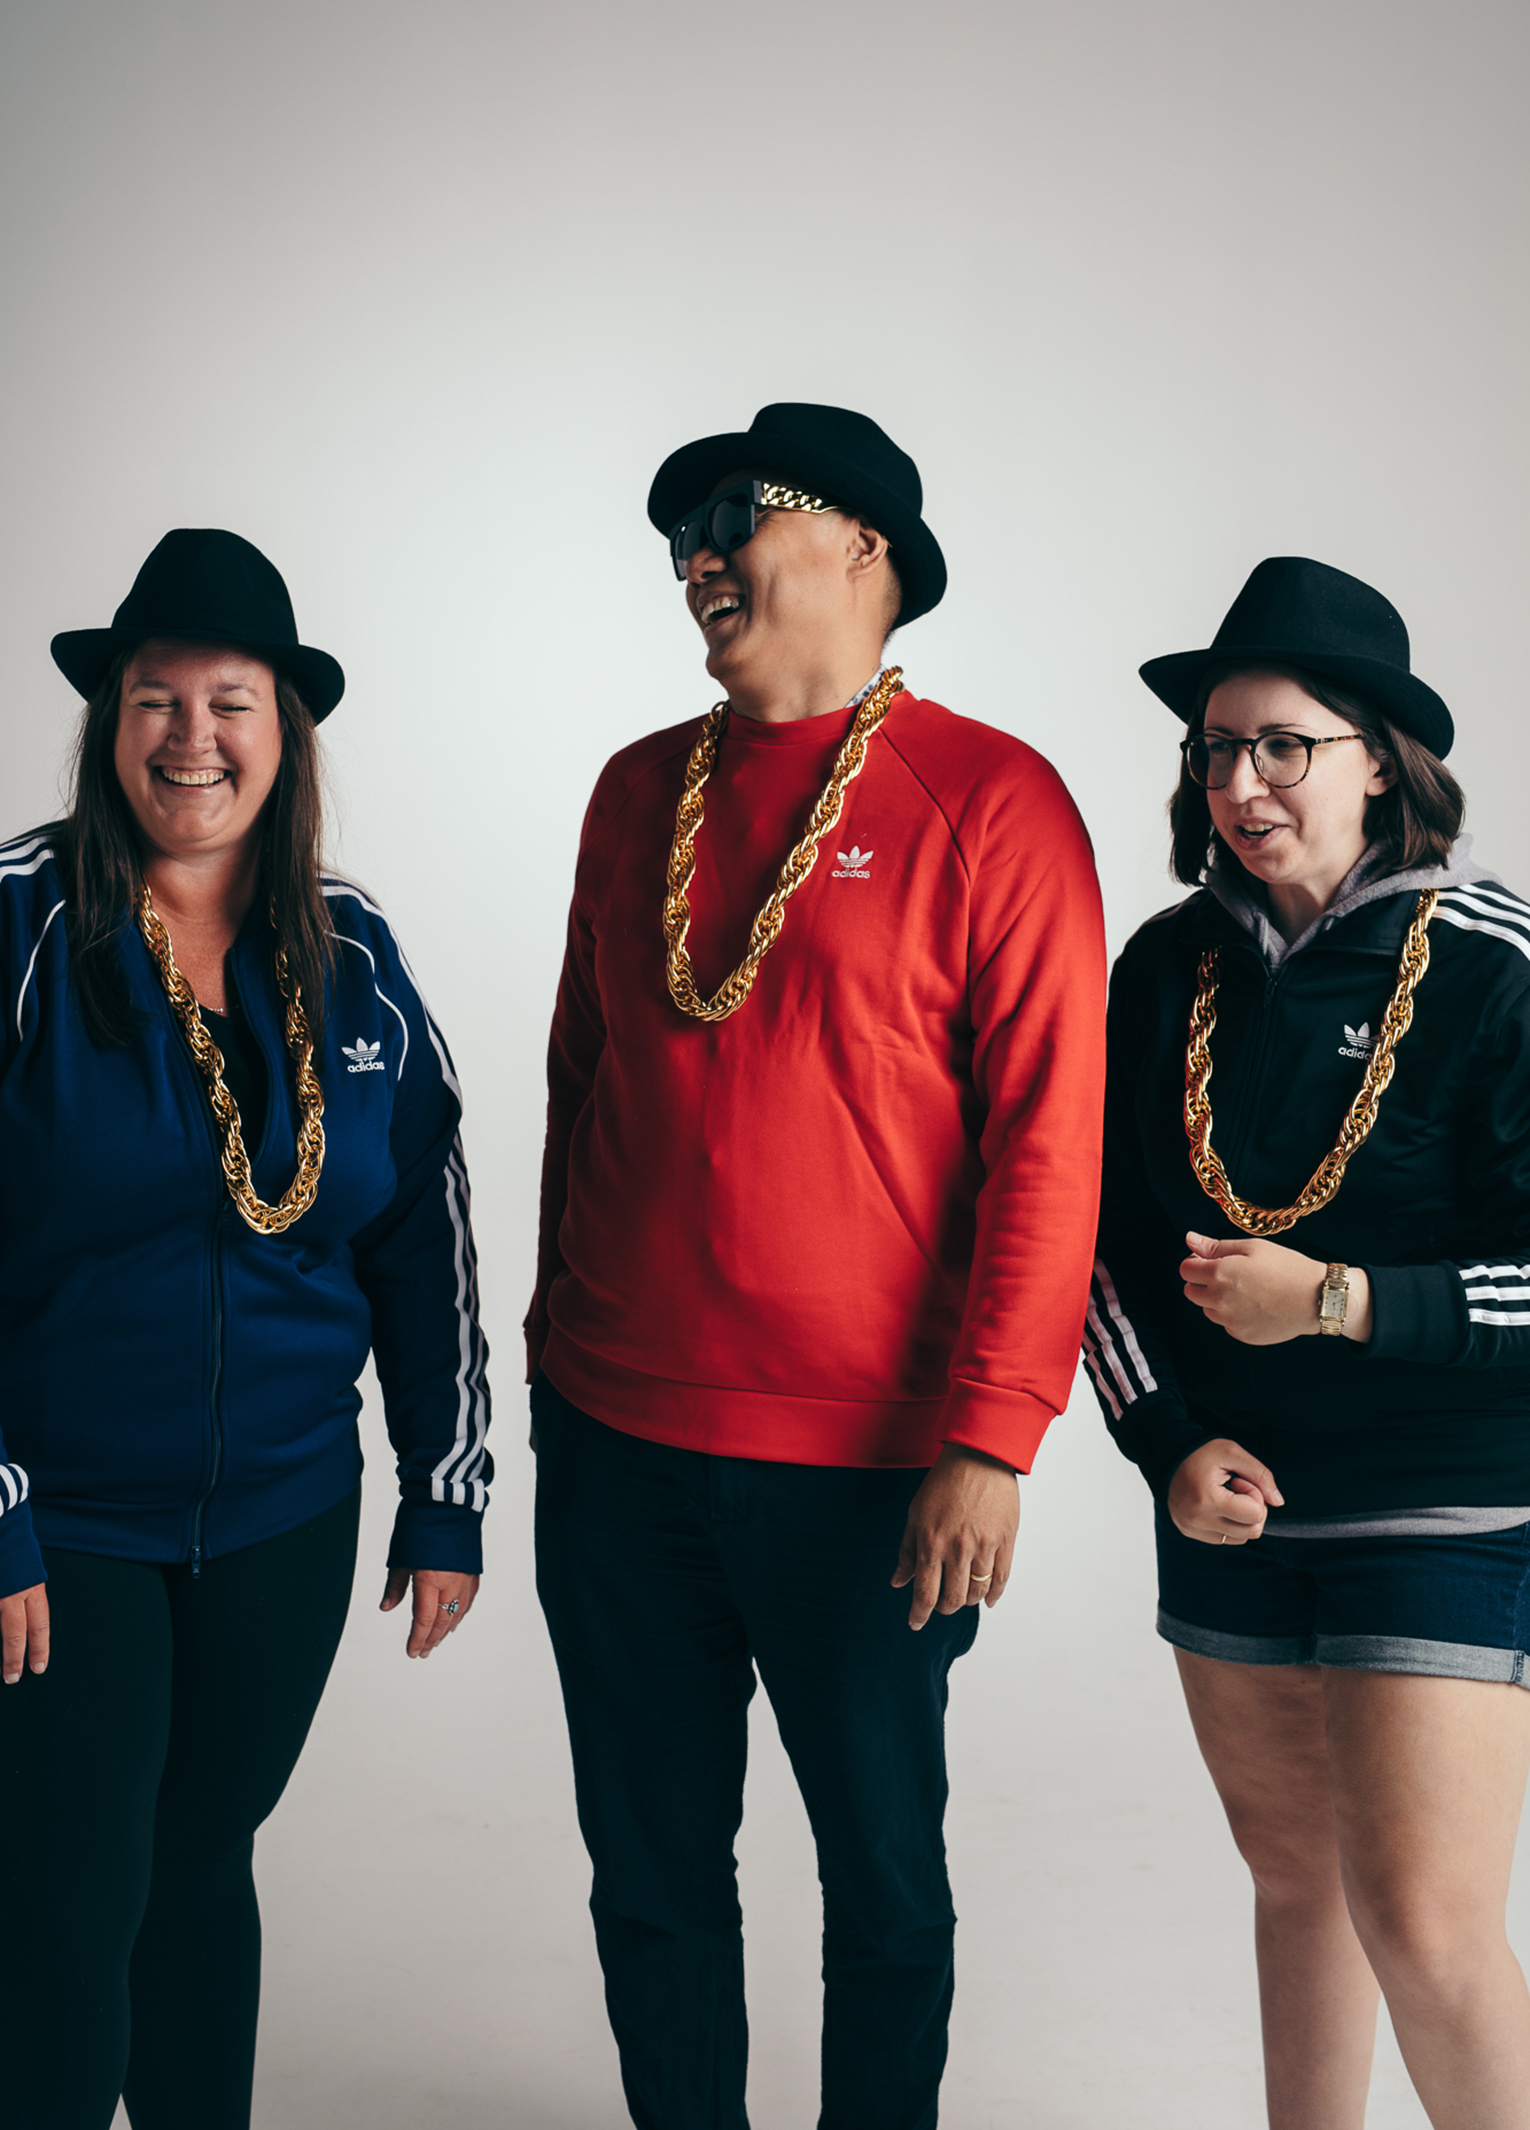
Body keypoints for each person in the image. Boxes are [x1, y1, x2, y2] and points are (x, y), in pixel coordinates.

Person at [527, 401, 1106, 2128]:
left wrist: (992, 1435)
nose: (694, 556)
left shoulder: (989, 798)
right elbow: (580, 1083)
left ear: (863, 543)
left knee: (883, 1878)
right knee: (648, 1870)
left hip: (865, 1467)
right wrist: (554, 1351)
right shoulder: (635, 788)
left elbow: (1049, 1143)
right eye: (678, 536)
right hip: (616, 1443)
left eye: (731, 513)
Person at [0, 528, 492, 2130]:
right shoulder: (18, 922)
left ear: (285, 732)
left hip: (286, 1510)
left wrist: (444, 1488)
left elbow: (422, 1227)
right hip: (63, 1519)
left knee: (205, 1862)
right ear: (110, 720)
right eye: (157, 698)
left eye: (232, 701)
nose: (191, 737)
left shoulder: (351, 949)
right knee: (71, 1901)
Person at [1086, 553, 1530, 2130]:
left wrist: (1337, 1296)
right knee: (1294, 1878)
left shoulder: (1491, 964)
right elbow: (1095, 1250)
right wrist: (1164, 1442)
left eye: (1283, 744)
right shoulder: (1162, 968)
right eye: (1215, 748)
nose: (1240, 783)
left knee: (1421, 1918)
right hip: (1232, 1499)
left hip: (1445, 1500)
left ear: (1381, 762)